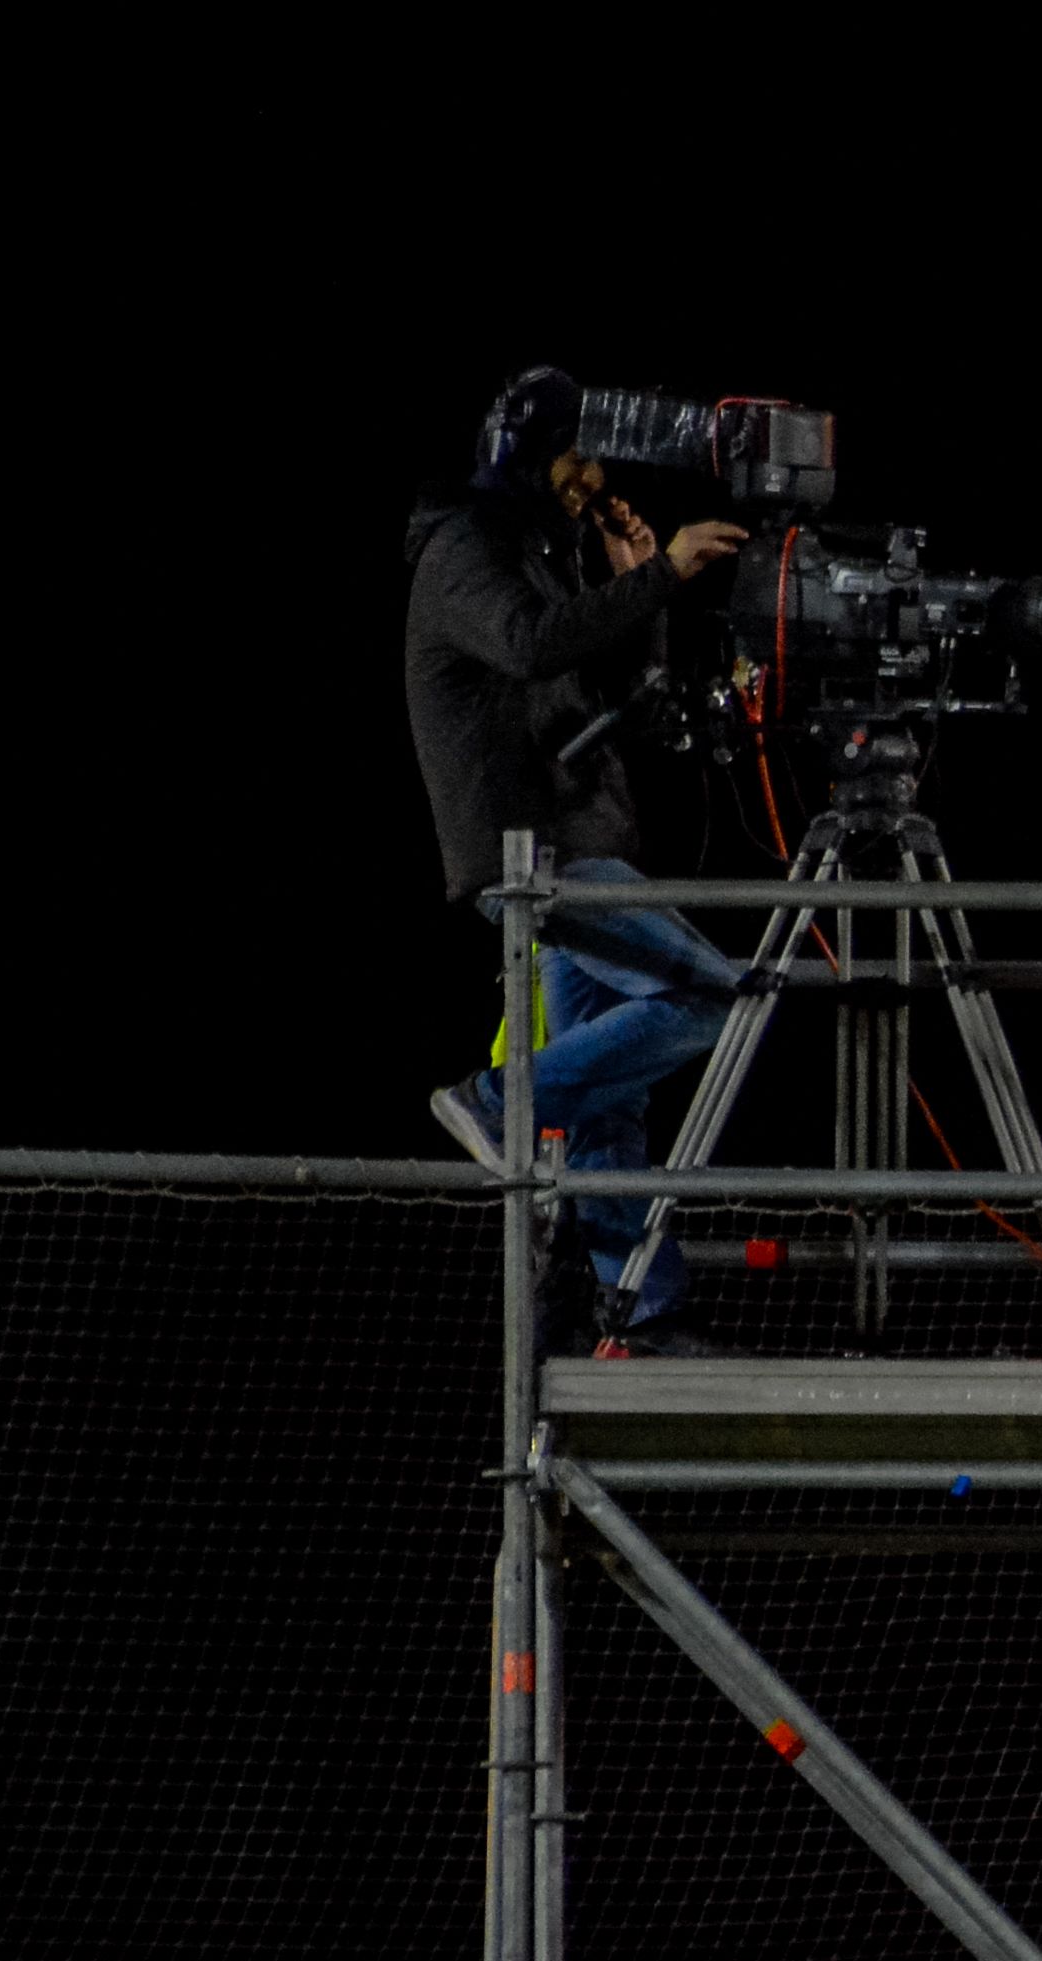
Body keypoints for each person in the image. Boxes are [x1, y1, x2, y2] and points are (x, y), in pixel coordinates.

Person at [404, 366, 750, 1346]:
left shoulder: (537, 550)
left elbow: (608, 703)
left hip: (584, 840)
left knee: (611, 1105)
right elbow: (525, 643)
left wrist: (627, 582)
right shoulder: (461, 549)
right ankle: (499, 1100)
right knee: (713, 996)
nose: (591, 475)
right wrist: (662, 572)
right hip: (532, 855)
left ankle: (643, 1311)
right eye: (575, 454)